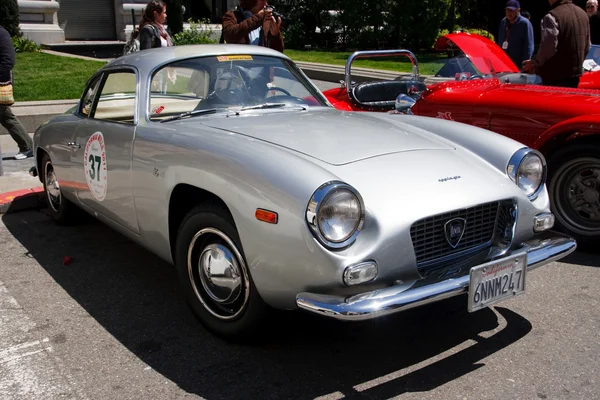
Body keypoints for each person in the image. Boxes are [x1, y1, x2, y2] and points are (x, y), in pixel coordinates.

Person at [522, 0, 590, 88]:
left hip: (554, 78)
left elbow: (548, 49)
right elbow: (587, 46)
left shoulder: (552, 16)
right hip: (575, 76)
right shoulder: (583, 14)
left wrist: (534, 63)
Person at [0, 25, 33, 160]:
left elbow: (8, 61)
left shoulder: (1, 34)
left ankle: (28, 147)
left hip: (1, 82)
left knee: (5, 116)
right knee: (6, 117)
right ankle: (27, 146)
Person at [496, 1, 534, 68]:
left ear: (518, 10)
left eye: (511, 11)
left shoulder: (524, 23)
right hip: (505, 63)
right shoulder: (503, 22)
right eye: (507, 10)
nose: (509, 13)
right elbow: (500, 41)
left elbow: (529, 45)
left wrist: (525, 63)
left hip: (519, 64)